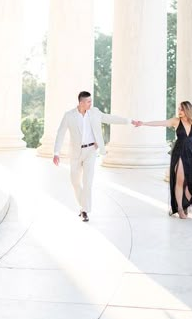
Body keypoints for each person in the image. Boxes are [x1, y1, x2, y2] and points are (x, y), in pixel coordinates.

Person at [53, 91, 137, 222]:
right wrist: (56, 153)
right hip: (75, 153)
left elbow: (110, 118)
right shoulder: (69, 116)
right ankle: (83, 204)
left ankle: (85, 210)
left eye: (91, 101)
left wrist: (129, 121)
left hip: (91, 151)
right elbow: (60, 133)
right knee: (75, 181)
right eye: (88, 101)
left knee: (88, 182)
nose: (90, 103)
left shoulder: (95, 112)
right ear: (81, 102)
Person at [134, 101, 192, 219]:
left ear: (187, 110)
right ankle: (180, 209)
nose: (179, 111)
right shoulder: (176, 121)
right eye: (178, 109)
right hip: (180, 153)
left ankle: (186, 203)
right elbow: (161, 123)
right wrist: (143, 123)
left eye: (181, 109)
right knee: (180, 182)